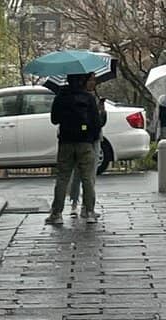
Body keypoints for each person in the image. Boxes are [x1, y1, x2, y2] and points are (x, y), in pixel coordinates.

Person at [45, 71, 103, 226]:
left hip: (66, 142)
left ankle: (56, 213)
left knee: (63, 178)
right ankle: (89, 212)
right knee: (87, 178)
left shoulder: (61, 96)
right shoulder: (88, 98)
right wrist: (90, 138)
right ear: (82, 81)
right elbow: (96, 123)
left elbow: (54, 119)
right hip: (85, 143)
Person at [69, 81, 107, 217]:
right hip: (87, 139)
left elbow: (99, 122)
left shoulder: (89, 97)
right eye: (92, 78)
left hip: (87, 138)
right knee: (83, 175)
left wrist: (101, 110)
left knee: (84, 175)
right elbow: (95, 122)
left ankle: (83, 205)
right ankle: (81, 206)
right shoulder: (84, 97)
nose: (94, 82)